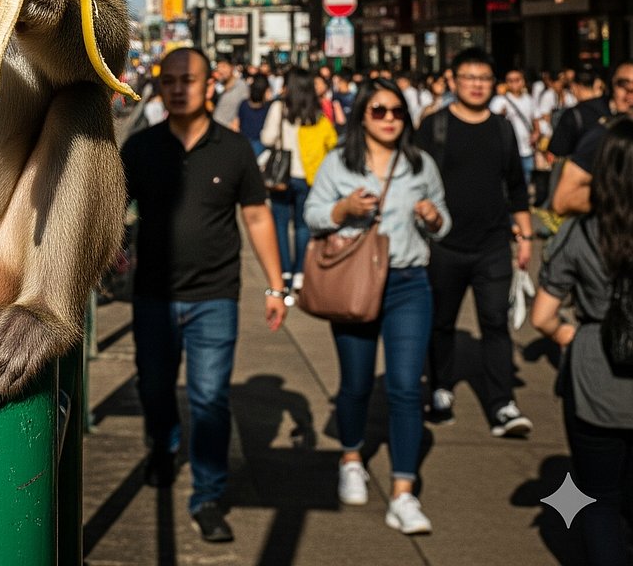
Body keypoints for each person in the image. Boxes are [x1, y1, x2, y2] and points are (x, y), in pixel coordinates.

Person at [121, 47, 288, 545]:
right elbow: (112, 207)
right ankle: (164, 445)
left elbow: (257, 216)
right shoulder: (141, 147)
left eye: (188, 80)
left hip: (215, 295)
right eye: (169, 81)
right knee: (154, 386)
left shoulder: (234, 149)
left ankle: (209, 495)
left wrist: (276, 287)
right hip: (153, 294)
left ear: (209, 85)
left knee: (210, 399)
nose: (177, 89)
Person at [304, 78, 451, 536]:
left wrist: (433, 218)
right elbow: (312, 214)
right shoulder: (339, 163)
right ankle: (351, 457)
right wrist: (343, 209)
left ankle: (404, 492)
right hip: (355, 282)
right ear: (362, 116)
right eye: (379, 111)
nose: (389, 119)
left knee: (406, 388)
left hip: (409, 283)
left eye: (397, 111)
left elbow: (444, 221)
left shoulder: (420, 164)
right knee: (356, 383)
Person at [415, 47, 535, 437]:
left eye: (484, 78)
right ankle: (441, 389)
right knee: (441, 322)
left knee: (496, 323)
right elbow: (413, 179)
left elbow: (516, 187)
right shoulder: (434, 126)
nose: (477, 85)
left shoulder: (502, 128)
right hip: (443, 246)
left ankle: (503, 405)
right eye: (469, 77)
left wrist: (526, 236)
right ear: (453, 80)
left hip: (493, 245)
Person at [532, 116, 633, 565]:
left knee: (598, 499)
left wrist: (567, 332)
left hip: (595, 376)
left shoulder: (580, 231)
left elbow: (542, 316)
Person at [260, 67, 339, 293]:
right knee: (303, 225)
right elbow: (330, 140)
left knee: (280, 223)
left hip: (282, 175)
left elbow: (267, 138)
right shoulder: (316, 111)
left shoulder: (279, 107)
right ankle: (299, 272)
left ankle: (284, 270)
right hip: (309, 176)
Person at [553, 61, 633, 217]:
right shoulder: (601, 132)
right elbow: (563, 200)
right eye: (623, 84)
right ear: (611, 86)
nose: (630, 93)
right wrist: (621, 195)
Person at [491, 67, 541, 192]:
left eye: (517, 80)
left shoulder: (530, 100)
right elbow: (491, 124)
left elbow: (536, 120)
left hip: (526, 149)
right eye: (510, 80)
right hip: (507, 151)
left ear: (523, 81)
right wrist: (501, 116)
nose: (514, 83)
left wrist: (536, 133)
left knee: (525, 181)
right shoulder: (499, 101)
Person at [230, 74, 271, 154]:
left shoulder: (244, 104)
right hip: (259, 145)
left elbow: (236, 124)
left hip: (243, 142)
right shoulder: (268, 108)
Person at [212, 59, 248, 128]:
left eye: (224, 66)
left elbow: (245, 110)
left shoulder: (241, 86)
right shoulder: (217, 85)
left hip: (229, 130)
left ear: (232, 67)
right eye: (218, 67)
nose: (220, 70)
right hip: (215, 129)